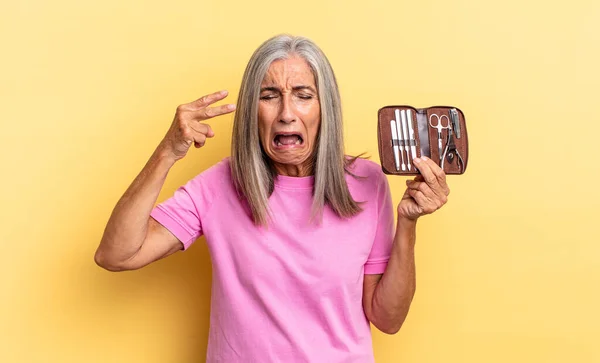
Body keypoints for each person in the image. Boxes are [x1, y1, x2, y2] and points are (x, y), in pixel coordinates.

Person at [95, 34, 450, 363]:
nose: (286, 113)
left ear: (325, 109)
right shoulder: (219, 185)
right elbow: (117, 254)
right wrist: (167, 152)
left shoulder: (367, 183)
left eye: (303, 95)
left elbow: (387, 319)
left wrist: (408, 221)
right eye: (269, 96)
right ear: (252, 110)